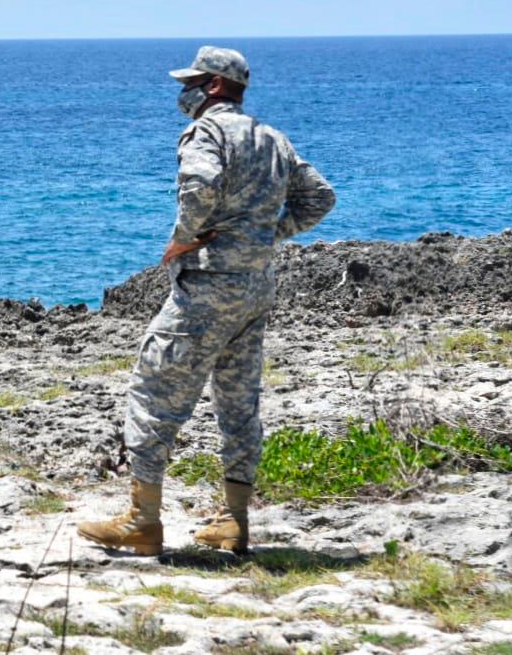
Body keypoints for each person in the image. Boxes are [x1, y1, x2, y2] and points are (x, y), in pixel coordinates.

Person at [77, 46, 335, 556]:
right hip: (256, 285)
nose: (184, 91)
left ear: (214, 85)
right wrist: (266, 234)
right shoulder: (271, 137)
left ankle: (142, 522)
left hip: (210, 283)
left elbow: (199, 186)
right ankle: (233, 521)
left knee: (153, 392)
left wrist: (185, 239)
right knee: (239, 401)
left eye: (192, 81)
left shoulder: (207, 131)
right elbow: (320, 196)